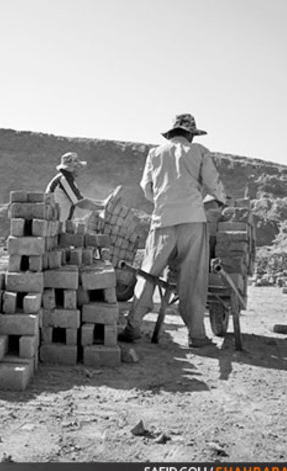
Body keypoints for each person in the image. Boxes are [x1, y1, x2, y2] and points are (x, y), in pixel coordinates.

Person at [118, 114, 227, 348]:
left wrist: (163, 200)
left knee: (148, 273)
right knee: (193, 280)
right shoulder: (199, 151)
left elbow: (147, 189)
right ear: (190, 134)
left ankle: (133, 327)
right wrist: (213, 201)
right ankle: (196, 335)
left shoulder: (155, 153)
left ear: (172, 133)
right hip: (193, 223)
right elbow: (214, 185)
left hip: (162, 221)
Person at [45, 151, 112, 221]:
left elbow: (81, 198)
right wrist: (103, 208)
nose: (80, 169)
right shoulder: (64, 180)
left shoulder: (67, 179)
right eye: (78, 167)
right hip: (55, 222)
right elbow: (81, 203)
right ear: (72, 168)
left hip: (58, 220)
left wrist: (102, 202)